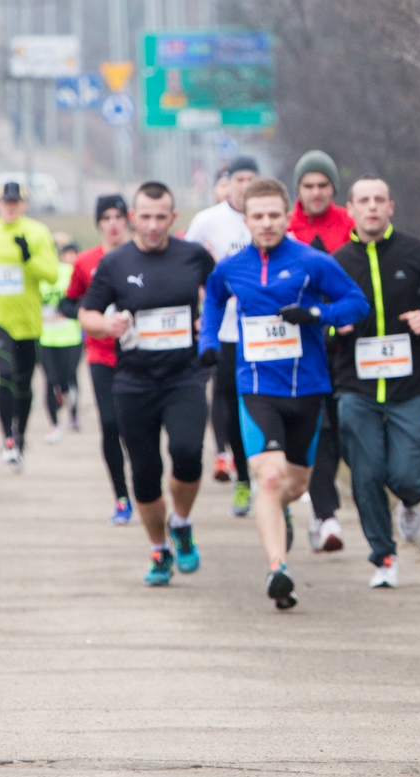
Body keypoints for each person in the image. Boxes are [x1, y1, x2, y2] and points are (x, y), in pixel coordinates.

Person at [199, 177, 368, 610]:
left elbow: (357, 303)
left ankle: (279, 511)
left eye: (274, 215)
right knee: (269, 478)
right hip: (256, 386)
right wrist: (208, 343)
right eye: (258, 216)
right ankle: (278, 568)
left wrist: (316, 313)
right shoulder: (231, 267)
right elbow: (213, 299)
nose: (267, 223)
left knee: (294, 483)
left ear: (287, 215)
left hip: (308, 387)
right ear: (246, 219)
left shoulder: (312, 261)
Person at [78, 182, 215, 585]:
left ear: (173, 218)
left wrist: (206, 321)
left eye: (161, 217)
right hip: (134, 382)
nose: (153, 225)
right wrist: (107, 324)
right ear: (133, 218)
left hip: (184, 376)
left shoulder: (194, 256)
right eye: (146, 217)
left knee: (188, 453)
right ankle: (159, 549)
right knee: (144, 472)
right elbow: (86, 313)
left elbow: (220, 295)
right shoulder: (115, 263)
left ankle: (181, 522)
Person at [332, 176, 420, 588]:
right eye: (363, 200)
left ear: (391, 207)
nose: (371, 207)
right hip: (356, 387)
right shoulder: (334, 264)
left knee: (408, 476)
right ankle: (383, 556)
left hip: (411, 385)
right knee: (366, 474)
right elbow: (318, 318)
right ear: (350, 209)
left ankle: (410, 500)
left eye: (379, 200)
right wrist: (336, 327)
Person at [287, 150, 356, 551]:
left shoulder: (349, 225)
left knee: (346, 428)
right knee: (320, 430)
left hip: (347, 343)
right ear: (298, 189)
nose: (316, 192)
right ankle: (325, 516)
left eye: (323, 185)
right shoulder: (285, 227)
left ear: (333, 188)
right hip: (302, 344)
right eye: (308, 185)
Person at [184, 156, 260, 516]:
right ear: (227, 183)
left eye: (250, 178)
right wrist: (199, 304)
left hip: (265, 330)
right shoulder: (208, 221)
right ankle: (242, 477)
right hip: (226, 329)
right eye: (238, 179)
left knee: (266, 401)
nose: (244, 185)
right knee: (228, 399)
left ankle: (273, 477)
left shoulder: (269, 217)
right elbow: (184, 265)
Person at [0, 182, 60, 471]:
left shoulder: (37, 232)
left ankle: (20, 436)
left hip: (27, 322)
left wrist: (28, 258)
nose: (10, 207)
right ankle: (8, 440)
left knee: (23, 383)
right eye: (5, 202)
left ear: (24, 204)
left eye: (15, 202)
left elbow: (51, 275)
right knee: (6, 373)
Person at [63, 195, 134, 525]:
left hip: (139, 355)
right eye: (106, 218)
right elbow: (68, 303)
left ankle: (144, 488)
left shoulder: (142, 257)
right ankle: (121, 497)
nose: (113, 224)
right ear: (98, 224)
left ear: (128, 220)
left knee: (137, 428)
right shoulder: (85, 262)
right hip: (101, 354)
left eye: (119, 216)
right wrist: (91, 315)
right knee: (110, 424)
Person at [38, 241, 83, 443]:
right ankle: (54, 425)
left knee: (68, 379)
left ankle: (73, 414)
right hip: (45, 338)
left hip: (70, 337)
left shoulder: (70, 272)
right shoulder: (38, 274)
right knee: (49, 380)